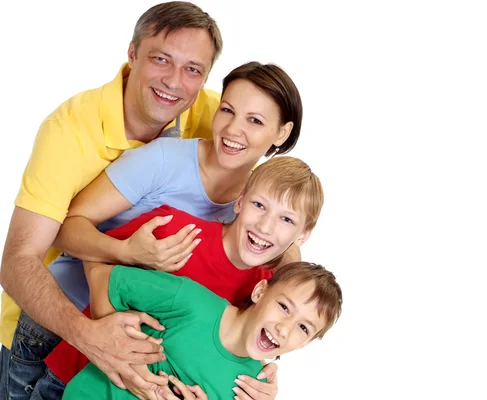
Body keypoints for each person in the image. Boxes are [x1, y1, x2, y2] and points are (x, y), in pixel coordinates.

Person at [11, 59, 304, 400]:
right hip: (64, 321)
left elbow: (280, 313)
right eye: (227, 111)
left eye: (255, 120)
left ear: (281, 133)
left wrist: (261, 376)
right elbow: (69, 232)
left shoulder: (265, 220)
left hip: (135, 378)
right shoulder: (166, 169)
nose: (233, 129)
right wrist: (124, 256)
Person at [0, 1, 224, 395]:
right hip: (53, 323)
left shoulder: (215, 116)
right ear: (132, 54)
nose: (174, 81)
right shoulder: (68, 129)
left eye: (193, 70)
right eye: (160, 59)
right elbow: (18, 260)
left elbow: (270, 211)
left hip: (140, 329)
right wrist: (89, 335)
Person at [39, 155, 322, 399]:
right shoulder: (175, 229)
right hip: (75, 373)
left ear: (303, 236)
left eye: (286, 220)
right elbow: (95, 259)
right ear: (240, 201)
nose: (265, 226)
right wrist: (117, 348)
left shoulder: (270, 289)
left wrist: (266, 384)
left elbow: (261, 341)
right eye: (259, 205)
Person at [62, 260, 343, 400]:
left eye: (304, 328)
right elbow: (103, 277)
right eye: (284, 307)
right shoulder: (192, 302)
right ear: (260, 291)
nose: (284, 329)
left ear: (306, 343)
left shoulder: (252, 388)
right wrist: (125, 359)